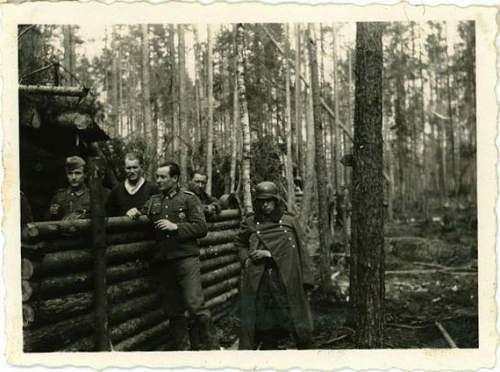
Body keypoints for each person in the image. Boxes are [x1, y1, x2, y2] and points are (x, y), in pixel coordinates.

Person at [143, 162, 218, 350]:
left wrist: (176, 227)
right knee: (173, 310)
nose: (158, 180)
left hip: (186, 259)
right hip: (164, 261)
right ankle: (183, 351)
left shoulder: (189, 199)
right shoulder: (153, 201)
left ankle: (214, 350)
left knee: (195, 305)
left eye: (162, 177)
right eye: (157, 177)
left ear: (174, 179)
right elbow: (143, 214)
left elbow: (202, 228)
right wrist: (133, 212)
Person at [236, 181, 315, 350]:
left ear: (276, 200)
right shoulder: (251, 221)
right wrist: (246, 260)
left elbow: (301, 249)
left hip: (285, 275)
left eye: (269, 200)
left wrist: (307, 279)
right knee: (263, 316)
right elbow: (240, 242)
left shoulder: (288, 221)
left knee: (294, 313)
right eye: (261, 201)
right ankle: (269, 347)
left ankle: (303, 347)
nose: (265, 205)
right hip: (260, 276)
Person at [106, 152, 158, 217]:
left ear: (141, 167)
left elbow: (158, 212)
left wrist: (141, 213)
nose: (132, 171)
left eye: (135, 168)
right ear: (124, 168)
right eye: (128, 168)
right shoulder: (116, 191)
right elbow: (109, 215)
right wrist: (125, 215)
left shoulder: (153, 189)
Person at [47, 156, 91, 221]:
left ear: (85, 175)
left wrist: (83, 216)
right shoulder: (59, 196)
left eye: (77, 173)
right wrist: (53, 213)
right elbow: (48, 220)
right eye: (70, 173)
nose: (73, 177)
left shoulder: (91, 195)